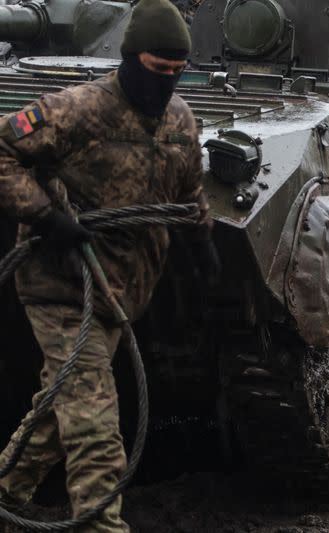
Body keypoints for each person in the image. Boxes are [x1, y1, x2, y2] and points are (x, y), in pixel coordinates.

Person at [0, 0, 218, 530]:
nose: (165, 81)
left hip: (121, 289)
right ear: (128, 57)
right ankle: (103, 525)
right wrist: (46, 215)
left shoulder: (181, 118)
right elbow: (3, 148)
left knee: (60, 413)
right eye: (155, 68)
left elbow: (188, 194)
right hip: (61, 282)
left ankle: (5, 497)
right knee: (96, 425)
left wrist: (202, 250)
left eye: (176, 71)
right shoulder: (77, 109)